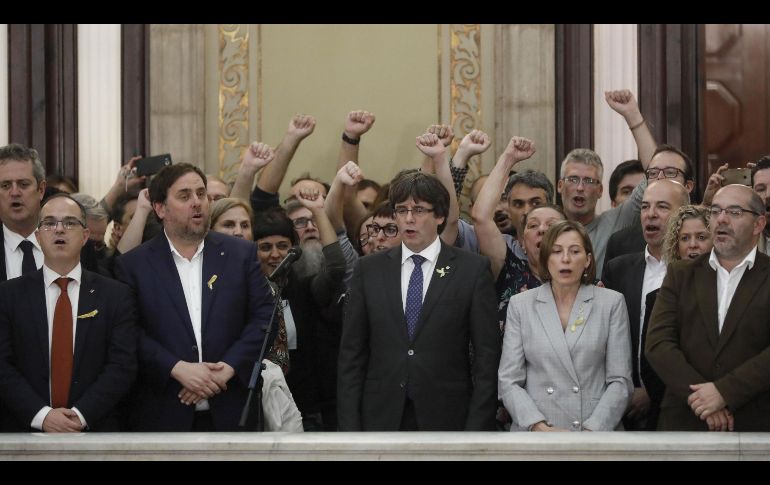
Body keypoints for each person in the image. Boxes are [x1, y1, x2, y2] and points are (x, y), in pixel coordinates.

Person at [114, 163, 274, 431]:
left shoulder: (240, 254)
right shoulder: (134, 266)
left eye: (202, 194)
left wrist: (227, 368)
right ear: (160, 208)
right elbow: (128, 332)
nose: (197, 203)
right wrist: (177, 368)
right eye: (185, 196)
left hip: (232, 409)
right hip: (163, 411)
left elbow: (265, 317)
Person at [338, 171, 500, 431]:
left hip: (448, 417)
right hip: (381, 416)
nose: (409, 219)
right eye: (401, 210)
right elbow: (351, 356)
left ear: (439, 216)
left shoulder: (471, 270)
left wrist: (478, 428)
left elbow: (486, 357)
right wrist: (349, 429)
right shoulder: (368, 270)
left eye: (419, 210)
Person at [0, 194, 136, 432]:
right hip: (24, 433)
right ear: (38, 236)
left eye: (70, 223)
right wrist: (42, 417)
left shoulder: (115, 296)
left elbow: (122, 366)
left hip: (95, 430)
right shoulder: (9, 296)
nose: (59, 230)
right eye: (50, 223)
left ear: (85, 236)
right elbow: (3, 366)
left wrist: (79, 416)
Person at [646, 184, 770, 431]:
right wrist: (702, 400)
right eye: (715, 211)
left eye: (734, 212)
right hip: (684, 419)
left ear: (759, 224)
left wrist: (724, 392)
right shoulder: (681, 274)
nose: (721, 220)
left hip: (754, 422)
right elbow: (658, 343)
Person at [498, 220, 633, 431]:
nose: (566, 259)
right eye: (556, 251)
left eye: (575, 251)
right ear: (546, 259)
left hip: (596, 434)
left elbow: (620, 381)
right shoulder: (521, 304)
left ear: (588, 260)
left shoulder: (611, 303)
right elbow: (509, 380)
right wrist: (538, 427)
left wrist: (591, 431)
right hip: (536, 435)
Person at [602, 179, 690, 430]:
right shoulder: (618, 269)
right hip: (622, 406)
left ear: (682, 214)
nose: (651, 214)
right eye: (644, 207)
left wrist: (653, 391)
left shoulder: (695, 271)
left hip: (677, 406)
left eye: (662, 207)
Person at [261, 193, 347, 431]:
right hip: (258, 404)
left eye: (283, 246)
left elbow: (337, 267)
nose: (275, 254)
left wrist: (319, 212)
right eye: (265, 247)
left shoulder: (305, 289)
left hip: (305, 406)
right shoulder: (244, 294)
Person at [209, 198, 290, 376]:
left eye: (245, 225)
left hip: (250, 381)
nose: (238, 232)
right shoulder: (197, 279)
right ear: (210, 231)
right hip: (199, 378)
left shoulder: (267, 287)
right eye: (229, 224)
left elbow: (279, 357)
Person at [604, 145, 697, 268]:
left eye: (670, 172)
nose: (660, 178)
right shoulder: (621, 243)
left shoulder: (701, 241)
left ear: (688, 186)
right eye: (653, 173)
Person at [0, 144, 47, 281]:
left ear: (41, 190)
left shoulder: (70, 242)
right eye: (5, 185)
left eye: (23, 184)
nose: (14, 193)